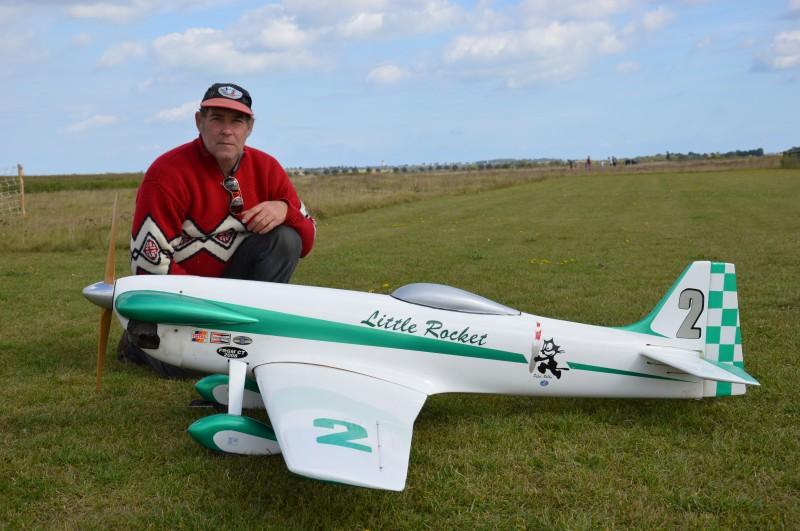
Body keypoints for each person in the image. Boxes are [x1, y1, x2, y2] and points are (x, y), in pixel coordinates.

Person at [120, 82, 316, 377]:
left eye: (237, 121)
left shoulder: (266, 168)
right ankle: (138, 344)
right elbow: (149, 265)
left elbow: (308, 239)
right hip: (183, 300)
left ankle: (254, 337)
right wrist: (208, 306)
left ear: (250, 127)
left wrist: (284, 210)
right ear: (199, 121)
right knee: (190, 369)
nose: (227, 130)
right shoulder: (166, 174)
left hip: (235, 294)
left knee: (285, 239)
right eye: (216, 119)